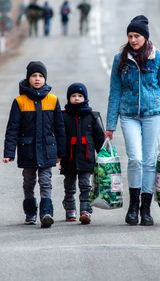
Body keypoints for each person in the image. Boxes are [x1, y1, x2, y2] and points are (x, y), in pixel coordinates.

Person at [105, 15, 160, 227]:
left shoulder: (159, 59)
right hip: (128, 115)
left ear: (145, 37)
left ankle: (146, 209)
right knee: (135, 158)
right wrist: (110, 125)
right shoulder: (120, 60)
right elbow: (114, 92)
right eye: (130, 36)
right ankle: (133, 206)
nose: (133, 40)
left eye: (137, 36)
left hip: (153, 114)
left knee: (150, 160)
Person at [3, 61, 66, 228]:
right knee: (29, 182)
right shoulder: (20, 101)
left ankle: (46, 213)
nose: (37, 79)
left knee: (46, 181)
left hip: (47, 150)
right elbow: (12, 128)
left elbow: (59, 128)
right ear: (28, 78)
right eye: (34, 76)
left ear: (45, 79)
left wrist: (61, 152)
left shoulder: (53, 100)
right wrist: (9, 152)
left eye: (40, 76)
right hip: (27, 150)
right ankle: (30, 212)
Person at [60, 83, 105, 224]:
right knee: (69, 185)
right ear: (69, 98)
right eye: (73, 96)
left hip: (86, 158)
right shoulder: (64, 116)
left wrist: (103, 155)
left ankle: (86, 210)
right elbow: (59, 137)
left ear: (85, 98)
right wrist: (58, 154)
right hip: (69, 158)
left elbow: (99, 139)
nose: (77, 98)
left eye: (80, 96)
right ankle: (70, 209)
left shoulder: (92, 116)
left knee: (86, 185)